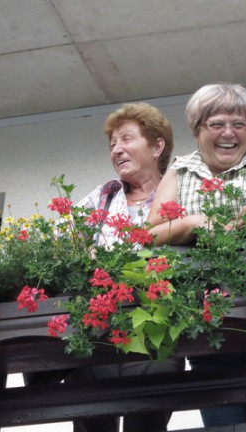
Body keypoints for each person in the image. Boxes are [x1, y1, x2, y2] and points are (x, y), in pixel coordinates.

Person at [147, 83, 246, 426]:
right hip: (207, 326)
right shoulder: (181, 169)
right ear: (197, 130)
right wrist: (192, 223)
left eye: (239, 123)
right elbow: (151, 233)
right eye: (216, 124)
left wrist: (224, 223)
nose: (228, 133)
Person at [69, 102, 183, 432]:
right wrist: (81, 253)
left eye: (126, 139)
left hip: (154, 333)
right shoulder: (105, 195)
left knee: (145, 421)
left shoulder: (180, 191)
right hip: (99, 333)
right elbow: (60, 243)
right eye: (112, 144)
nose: (117, 149)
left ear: (157, 145)